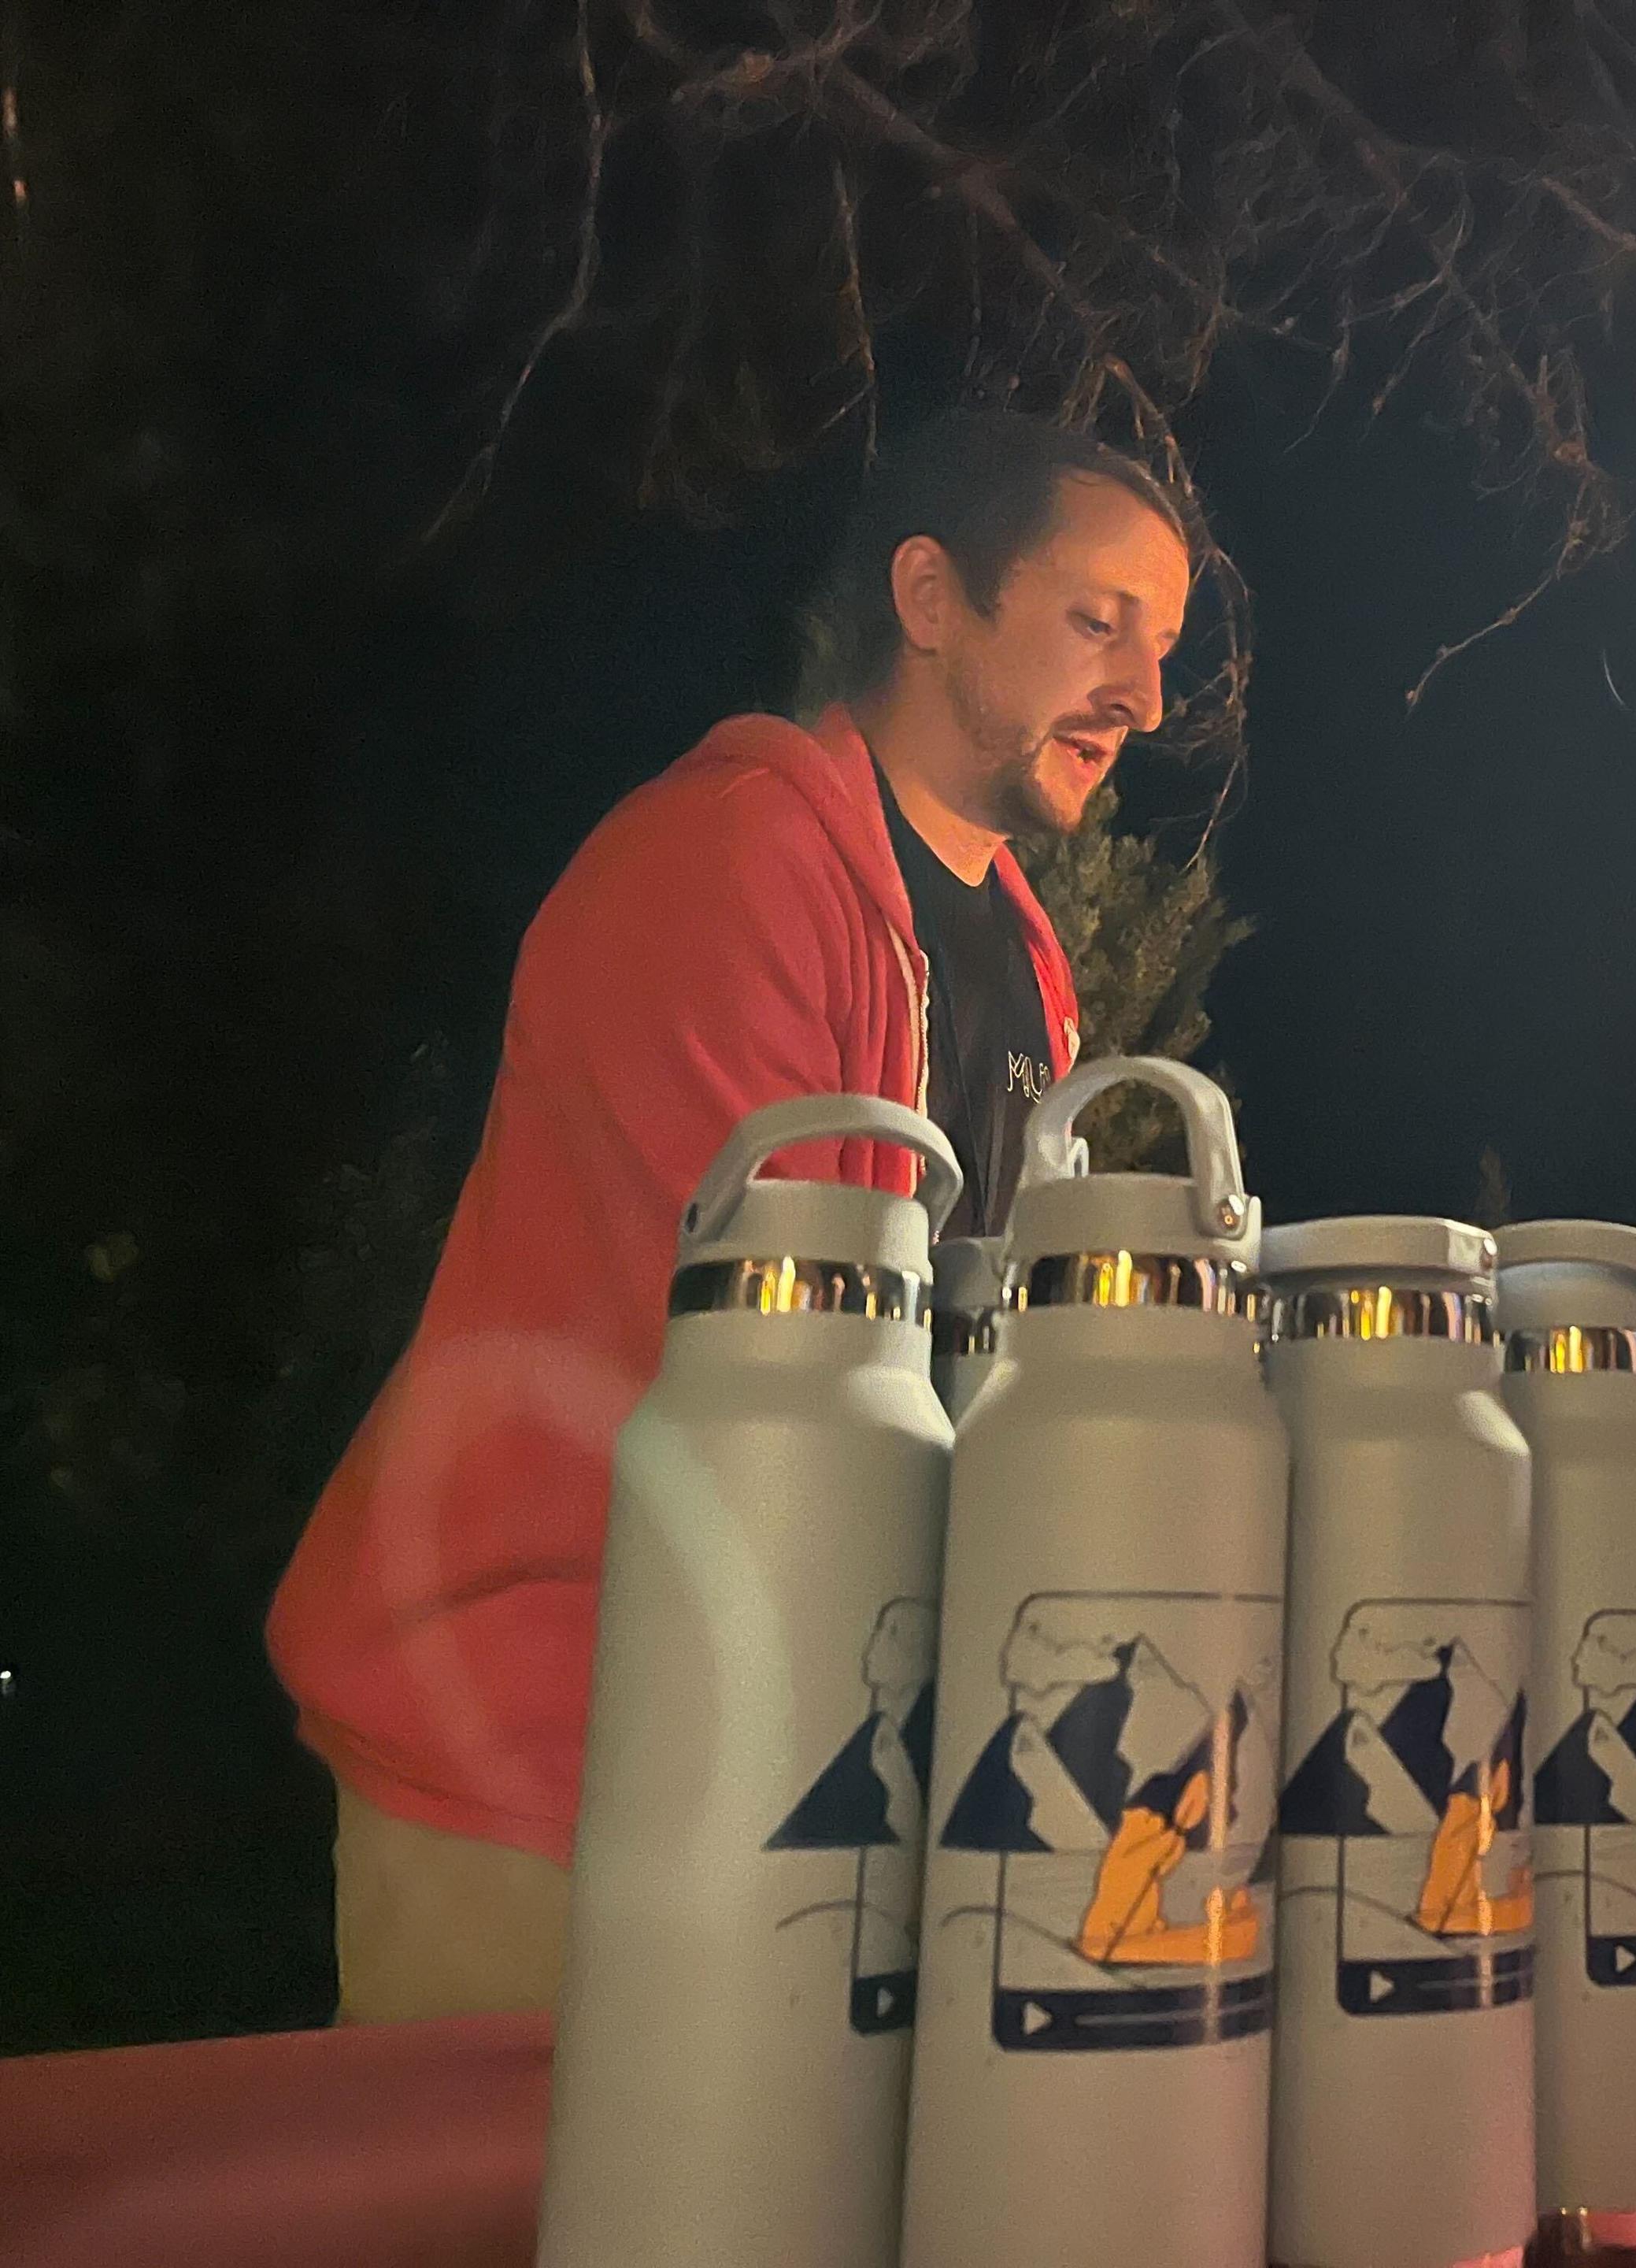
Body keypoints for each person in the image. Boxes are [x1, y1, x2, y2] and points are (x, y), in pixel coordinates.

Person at [265, 407, 1196, 2024]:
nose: (1144, 695)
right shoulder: (733, 863)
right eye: (1094, 622)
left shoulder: (1016, 962)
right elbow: (775, 1380)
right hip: (539, 1752)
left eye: (1162, 645)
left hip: (778, 1768)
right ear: (929, 597)